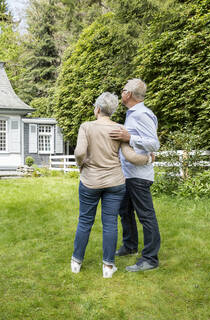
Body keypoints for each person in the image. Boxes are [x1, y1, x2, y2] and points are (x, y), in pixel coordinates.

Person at [71, 92, 153, 278]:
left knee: (85, 221)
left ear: (98, 109)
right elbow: (131, 157)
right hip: (115, 183)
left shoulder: (86, 127)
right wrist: (148, 158)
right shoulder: (119, 129)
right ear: (112, 111)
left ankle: (76, 262)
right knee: (110, 224)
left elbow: (79, 152)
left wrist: (80, 164)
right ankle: (108, 267)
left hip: (90, 181)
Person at [109, 78, 161, 272]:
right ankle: (130, 245)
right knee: (125, 212)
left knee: (146, 216)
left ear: (128, 94)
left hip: (139, 176)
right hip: (127, 174)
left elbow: (154, 144)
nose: (121, 93)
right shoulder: (132, 115)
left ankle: (150, 258)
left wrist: (129, 137)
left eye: (123, 90)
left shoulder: (142, 114)